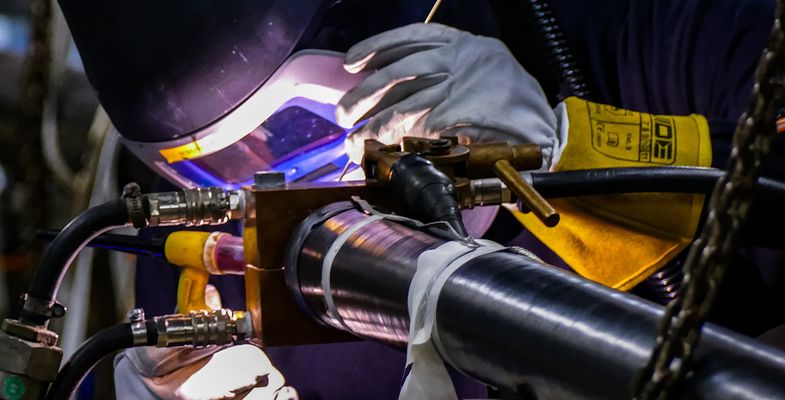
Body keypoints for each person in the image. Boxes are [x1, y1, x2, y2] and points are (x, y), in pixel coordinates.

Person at [57, 0, 782, 397]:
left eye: (301, 130)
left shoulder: (656, 31)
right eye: (211, 169)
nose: (280, 187)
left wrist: (576, 153)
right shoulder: (210, 229)